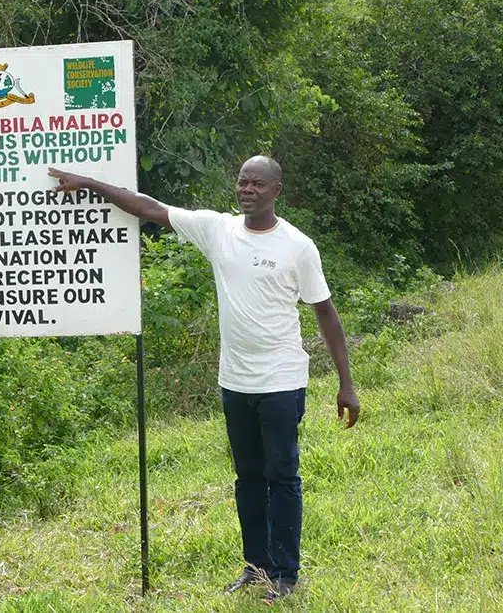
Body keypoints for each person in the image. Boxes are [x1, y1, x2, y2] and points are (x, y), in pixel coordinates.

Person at [49, 156, 360, 605]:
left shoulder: (297, 246)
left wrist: (346, 383)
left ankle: (285, 574)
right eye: (241, 181)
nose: (247, 189)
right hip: (234, 380)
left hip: (280, 379)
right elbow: (149, 207)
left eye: (257, 183)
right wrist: (89, 183)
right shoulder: (218, 230)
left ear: (277, 191)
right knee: (248, 476)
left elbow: (326, 315)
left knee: (282, 475)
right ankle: (255, 568)